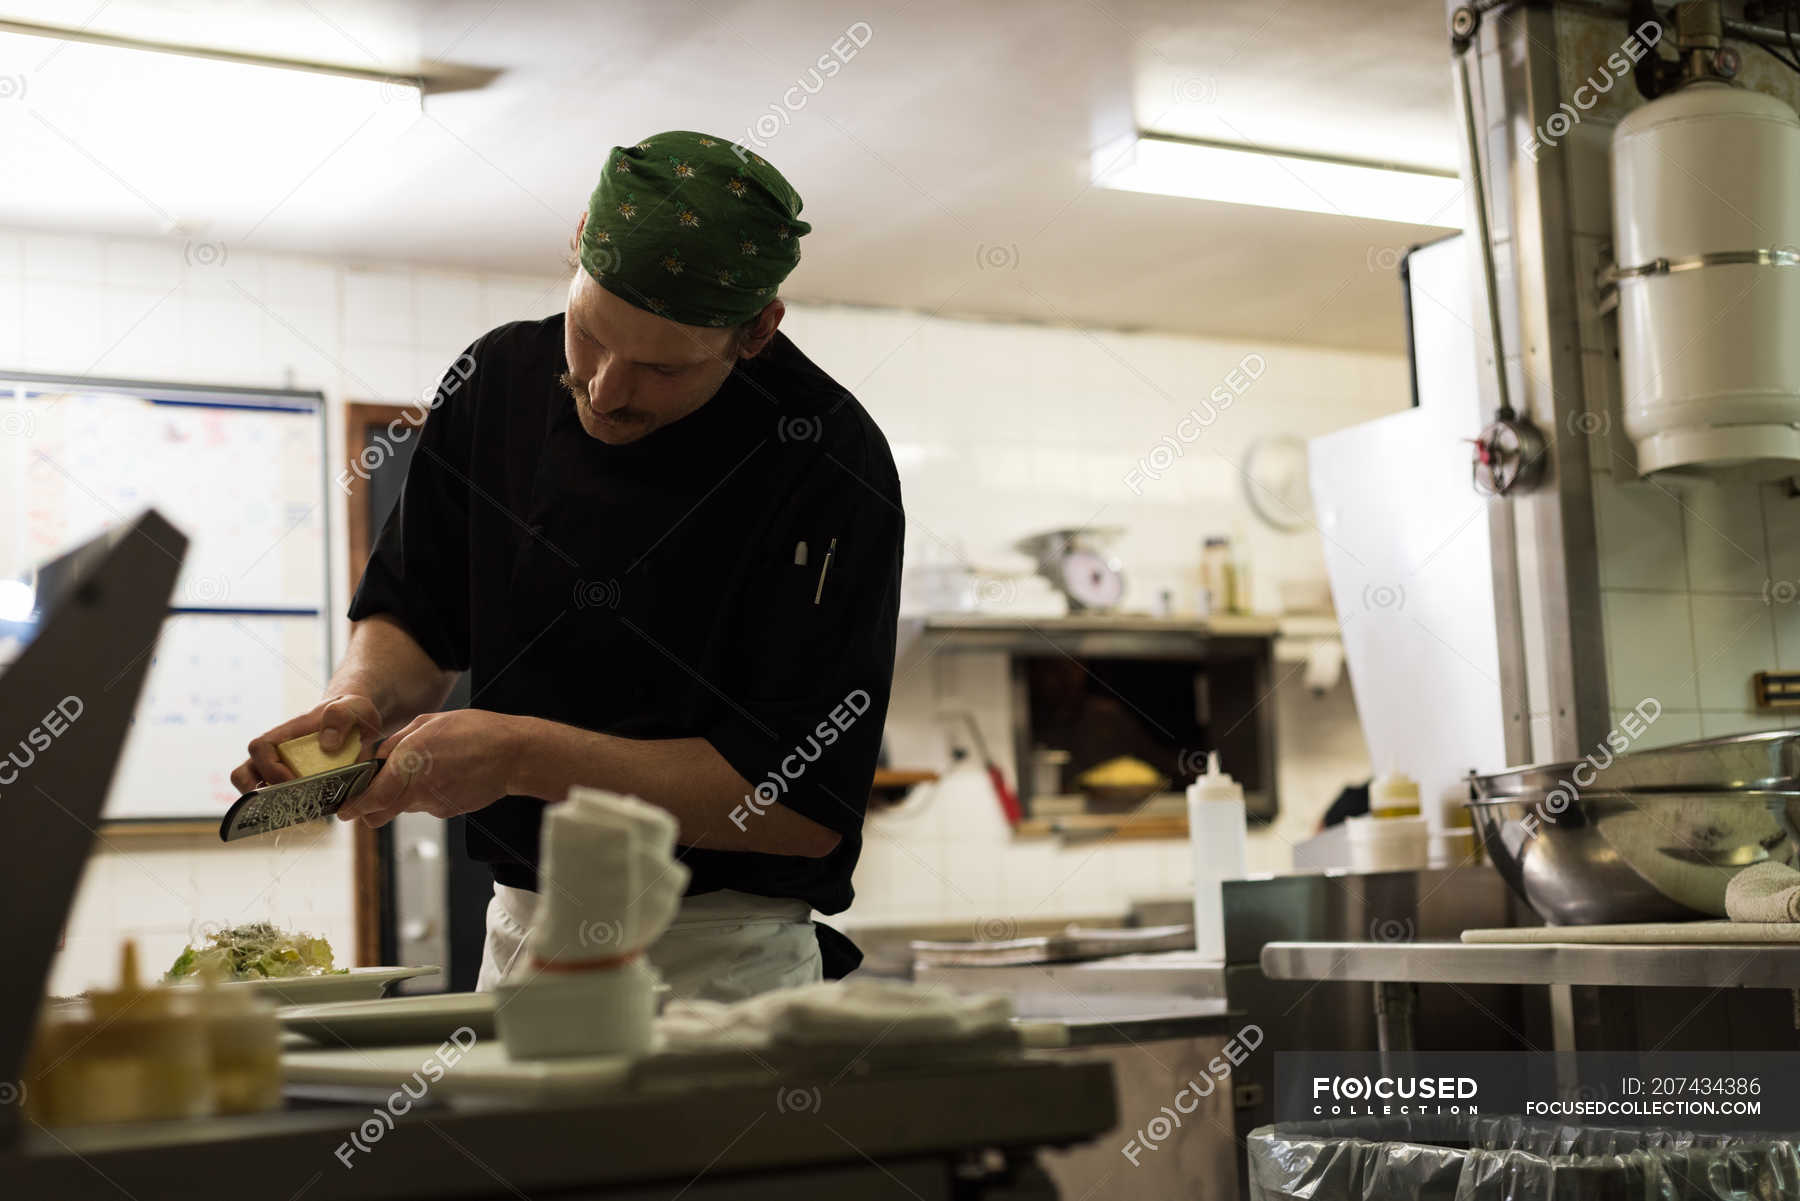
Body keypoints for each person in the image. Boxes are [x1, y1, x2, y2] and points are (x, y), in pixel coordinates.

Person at [228, 131, 904, 1001]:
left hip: (719, 959)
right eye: (589, 333)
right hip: (518, 936)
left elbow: (799, 807)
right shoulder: (496, 380)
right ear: (578, 240)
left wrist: (515, 754)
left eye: (663, 367)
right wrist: (358, 702)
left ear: (757, 332)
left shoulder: (826, 458)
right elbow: (414, 615)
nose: (607, 389)